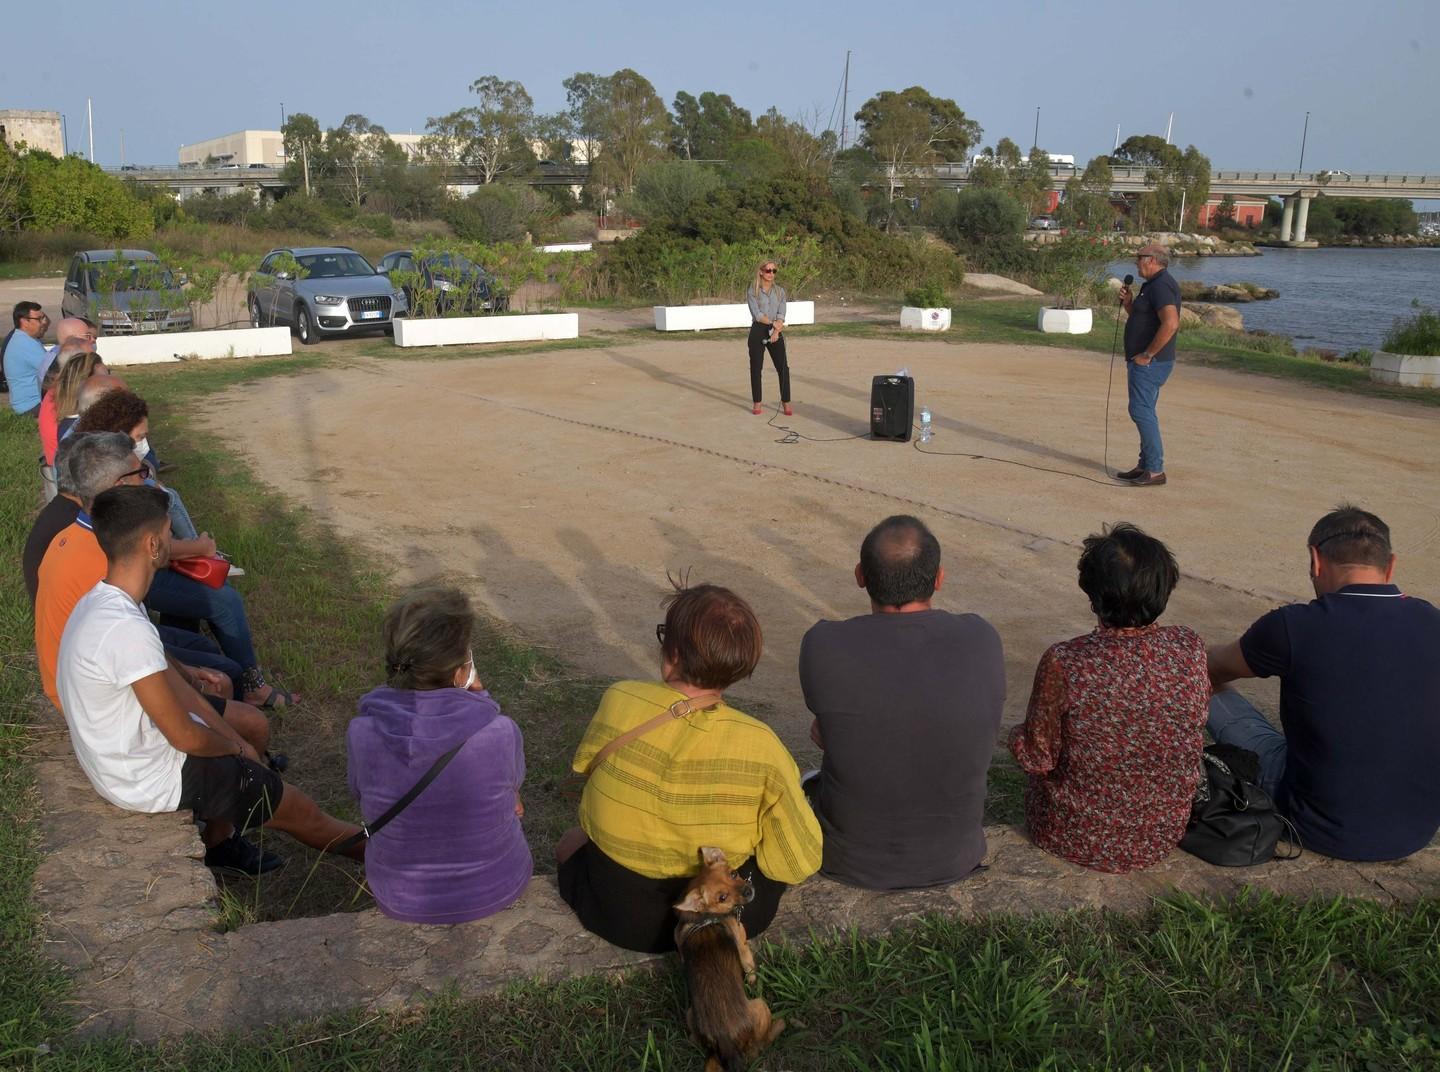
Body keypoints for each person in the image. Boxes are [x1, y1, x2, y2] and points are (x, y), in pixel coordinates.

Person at [55, 484, 363, 875]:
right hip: (147, 778)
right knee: (302, 812)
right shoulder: (126, 629)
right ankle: (394, 857)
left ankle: (222, 842)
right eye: (168, 533)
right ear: (152, 545)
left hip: (119, 763)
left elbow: (179, 688)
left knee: (250, 728)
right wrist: (234, 751)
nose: (172, 540)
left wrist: (238, 742)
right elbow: (184, 736)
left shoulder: (102, 601)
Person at [557, 582, 821, 953]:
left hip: (619, 917)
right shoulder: (762, 744)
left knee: (571, 842)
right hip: (722, 921)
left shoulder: (619, 699)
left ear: (674, 652)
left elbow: (585, 768)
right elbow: (797, 862)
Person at [1206, 506, 1440, 862]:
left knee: (1205, 686)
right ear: (1390, 566)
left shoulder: (1293, 625)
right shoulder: (1432, 620)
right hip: (1417, 828)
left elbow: (1214, 667)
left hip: (1314, 824)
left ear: (1316, 560)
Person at [799, 515, 1005, 889]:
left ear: (860, 575)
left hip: (850, 859)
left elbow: (832, 731)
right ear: (939, 578)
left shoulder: (822, 644)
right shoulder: (981, 637)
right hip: (956, 854)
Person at [1009, 523, 1209, 873]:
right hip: (1161, 833)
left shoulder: (1066, 661)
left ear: (1092, 592)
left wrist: (1014, 736)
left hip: (1070, 835)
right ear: (1165, 587)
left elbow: (1038, 758)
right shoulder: (1188, 646)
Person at [347, 587, 531, 924]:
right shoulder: (501, 732)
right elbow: (512, 789)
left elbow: (359, 793)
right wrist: (481, 693)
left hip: (400, 897)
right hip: (497, 887)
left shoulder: (362, 732)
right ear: (462, 671)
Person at [32, 432, 247, 703]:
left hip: (82, 668)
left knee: (201, 645)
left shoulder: (82, 531)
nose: (147, 480)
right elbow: (130, 647)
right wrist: (190, 677)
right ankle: (234, 733)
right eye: (141, 473)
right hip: (89, 692)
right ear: (120, 484)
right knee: (227, 672)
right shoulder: (106, 552)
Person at [1116, 245, 1181, 487]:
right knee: (1144, 411)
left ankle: (1154, 469)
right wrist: (1129, 304)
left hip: (1150, 364)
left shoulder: (1162, 285)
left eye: (1139, 258)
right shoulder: (1152, 284)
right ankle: (1144, 465)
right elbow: (1144, 318)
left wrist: (1148, 354)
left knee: (1141, 411)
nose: (1135, 262)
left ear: (1152, 260)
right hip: (1146, 362)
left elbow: (1171, 323)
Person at [745, 259, 792, 417]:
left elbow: (781, 313)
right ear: (760, 272)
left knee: (783, 367)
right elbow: (756, 314)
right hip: (759, 328)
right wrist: (772, 324)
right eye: (768, 270)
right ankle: (757, 402)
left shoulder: (780, 291)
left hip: (776, 329)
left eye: (774, 271)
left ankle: (786, 401)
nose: (771, 274)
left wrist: (776, 330)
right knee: (756, 368)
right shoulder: (753, 290)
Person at [3, 301, 49, 417]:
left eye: (43, 317)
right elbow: (55, 371)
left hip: (29, 404)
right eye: (39, 319)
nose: (43, 322)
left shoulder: (24, 338)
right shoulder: (24, 343)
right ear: (24, 322)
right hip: (32, 406)